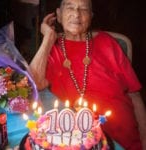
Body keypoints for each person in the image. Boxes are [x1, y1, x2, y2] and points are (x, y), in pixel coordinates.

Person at [30, 0, 146, 149]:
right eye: (69, 7)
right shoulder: (51, 49)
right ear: (58, 15)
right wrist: (47, 39)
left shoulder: (107, 42)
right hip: (76, 142)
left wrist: (144, 138)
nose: (76, 14)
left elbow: (134, 94)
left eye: (83, 9)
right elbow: (32, 85)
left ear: (91, 17)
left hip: (124, 140)